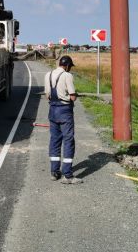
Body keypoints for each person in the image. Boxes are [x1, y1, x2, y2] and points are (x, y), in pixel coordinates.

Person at [45, 55, 82, 184]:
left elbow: (47, 96)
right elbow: (72, 97)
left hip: (52, 111)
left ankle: (54, 172)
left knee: (55, 140)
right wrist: (74, 95)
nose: (70, 69)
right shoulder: (67, 76)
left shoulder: (48, 75)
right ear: (67, 66)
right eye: (70, 67)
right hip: (65, 111)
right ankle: (67, 175)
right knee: (68, 140)